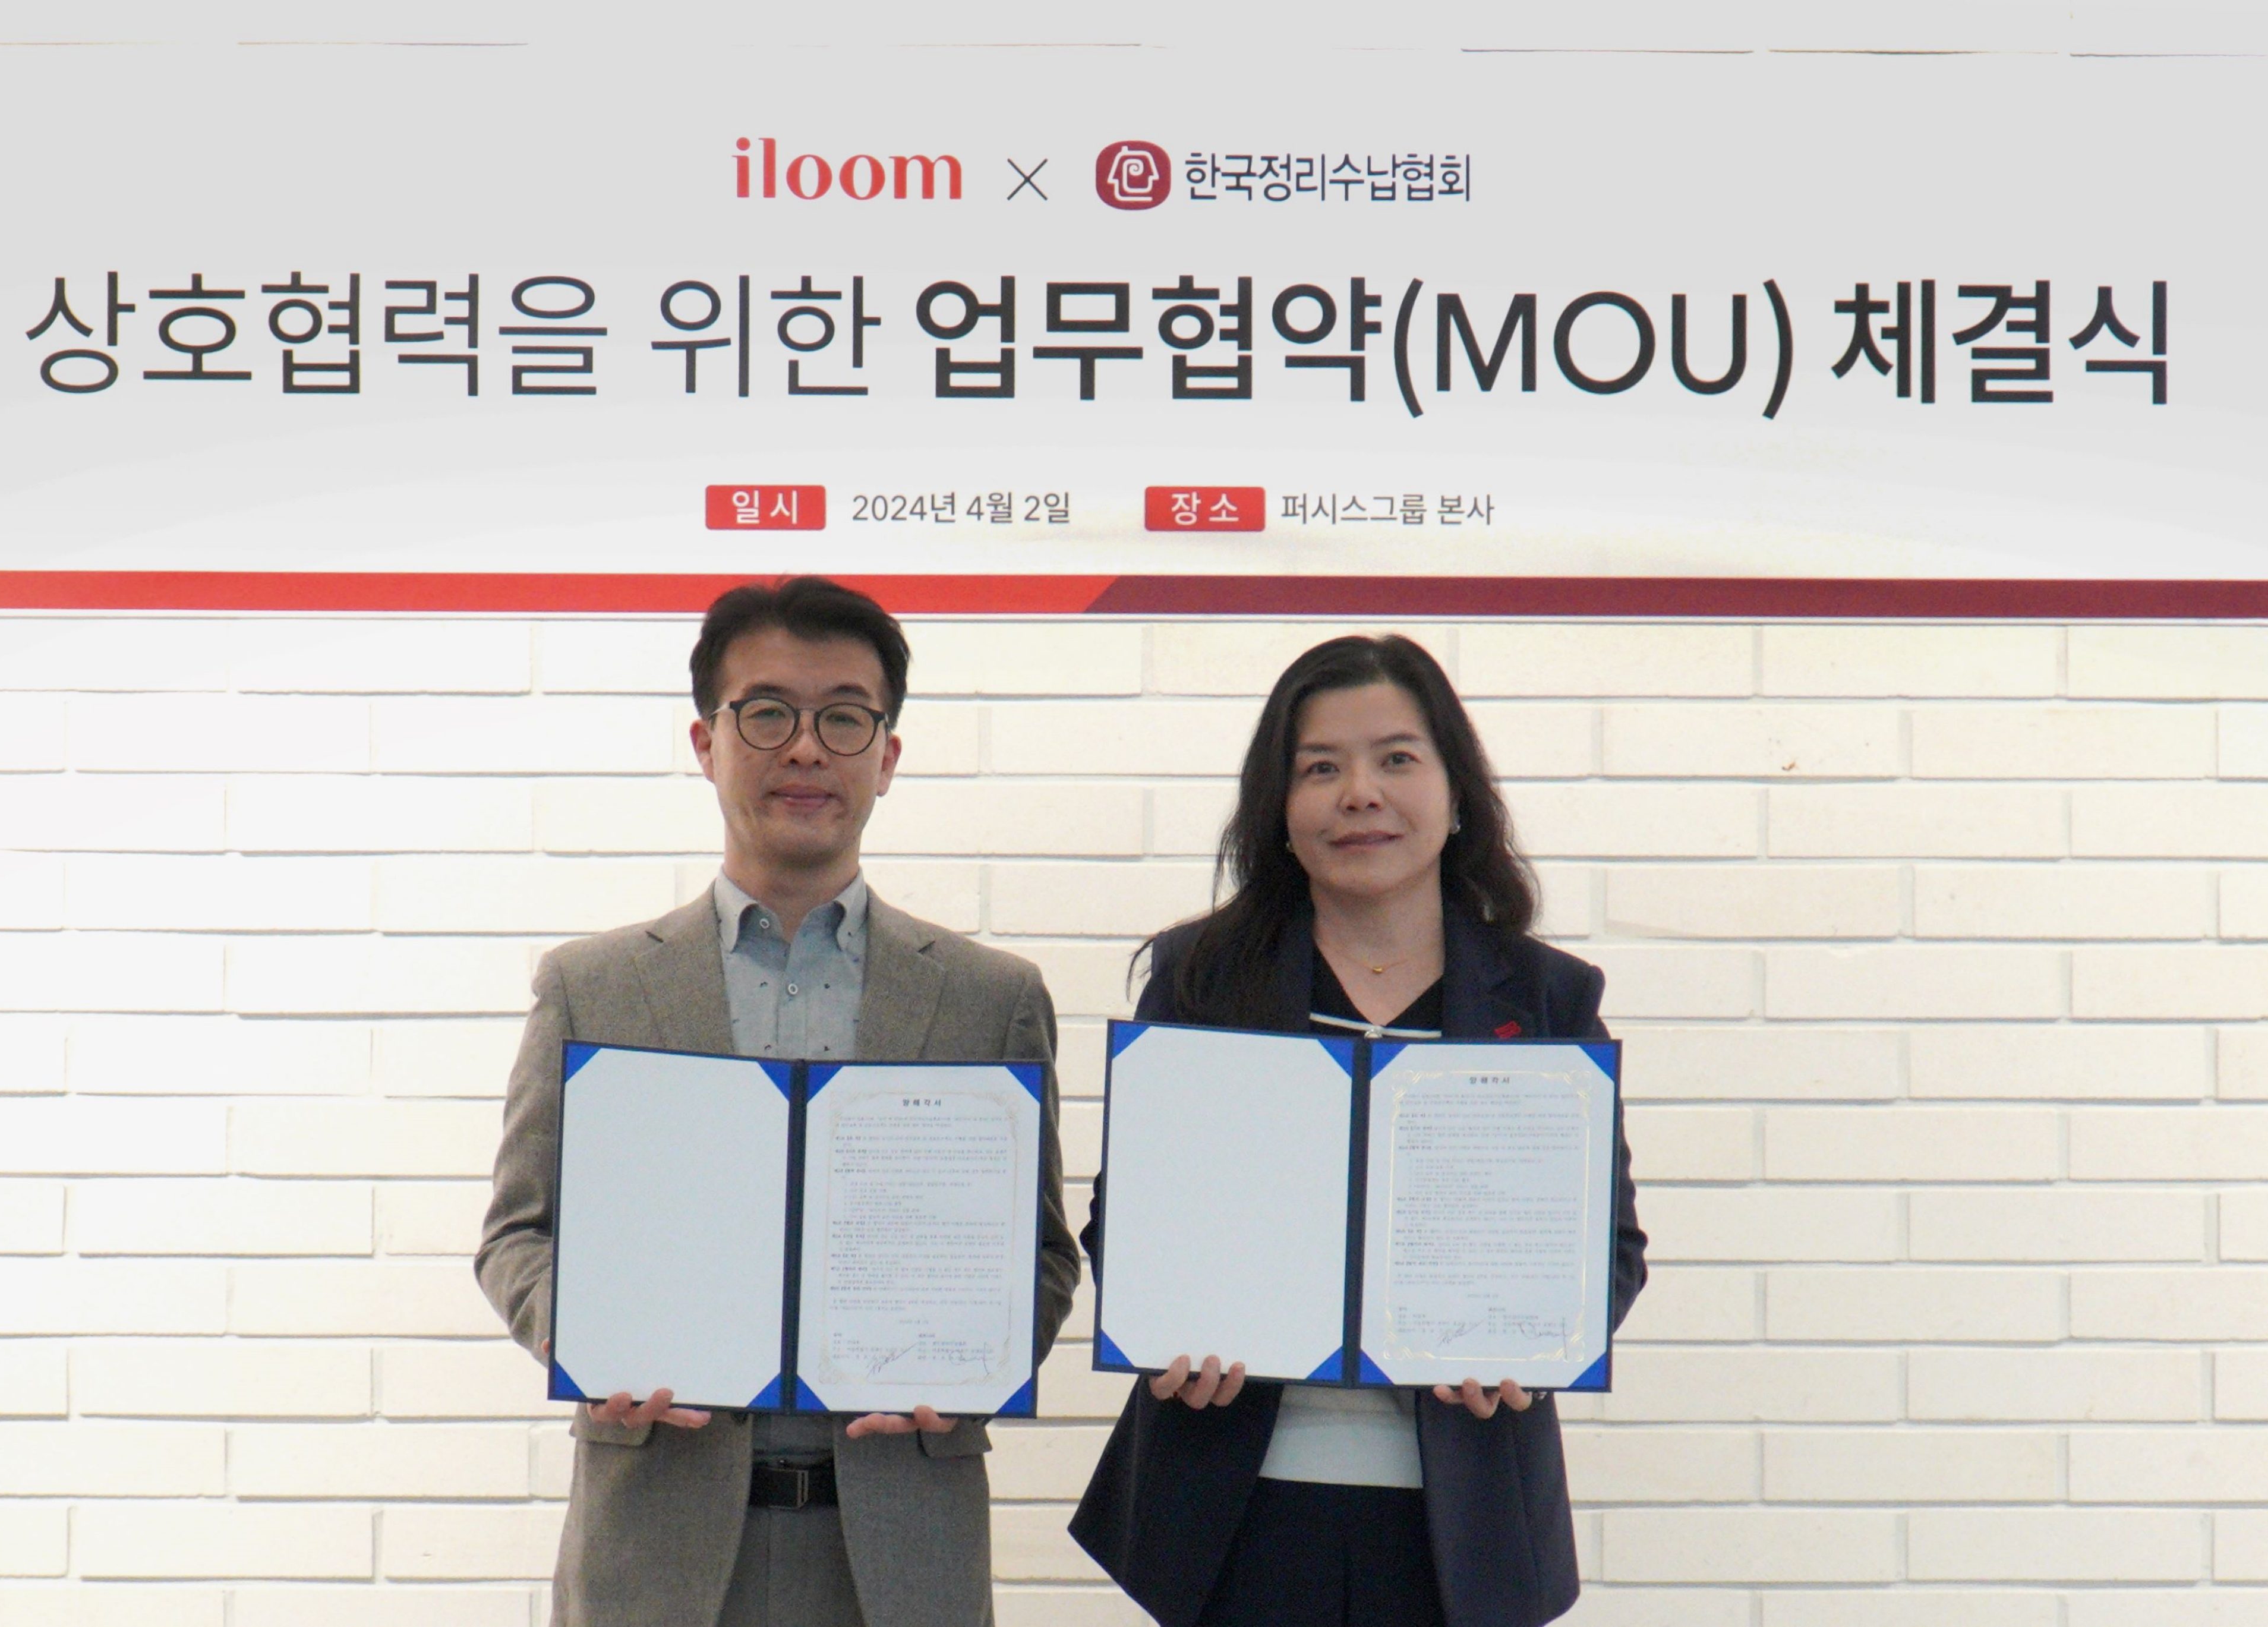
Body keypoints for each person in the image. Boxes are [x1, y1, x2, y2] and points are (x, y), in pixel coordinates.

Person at [476, 576, 1081, 1627]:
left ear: (886, 756)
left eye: (843, 717)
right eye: (766, 713)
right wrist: (582, 1333)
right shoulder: (594, 987)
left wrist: (976, 1359)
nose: (805, 749)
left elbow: (1040, 1254)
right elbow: (518, 1230)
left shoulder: (990, 998)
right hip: (657, 1539)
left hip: (901, 1548)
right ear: (706, 742)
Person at [1070, 633, 1648, 1627]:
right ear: (1277, 807)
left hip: (1464, 1518)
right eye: (1319, 768)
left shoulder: (1547, 996)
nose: (1359, 794)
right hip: (1228, 1504)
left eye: (1395, 758)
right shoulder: (1200, 978)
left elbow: (1610, 1250)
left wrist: (1533, 1343)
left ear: (1455, 793)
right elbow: (1128, 1221)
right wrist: (1162, 1323)